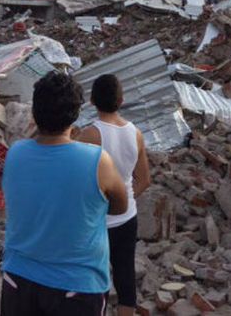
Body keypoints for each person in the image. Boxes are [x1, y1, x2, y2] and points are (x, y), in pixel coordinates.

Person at [0, 71, 128, 316]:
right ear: (76, 115)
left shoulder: (16, 153)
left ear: (35, 114)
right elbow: (120, 206)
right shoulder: (97, 160)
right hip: (76, 288)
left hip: (19, 281)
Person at [78, 75, 151, 316]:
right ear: (122, 101)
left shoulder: (89, 135)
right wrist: (127, 199)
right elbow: (145, 179)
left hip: (95, 221)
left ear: (92, 101)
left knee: (91, 276)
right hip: (127, 217)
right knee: (124, 274)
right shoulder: (136, 133)